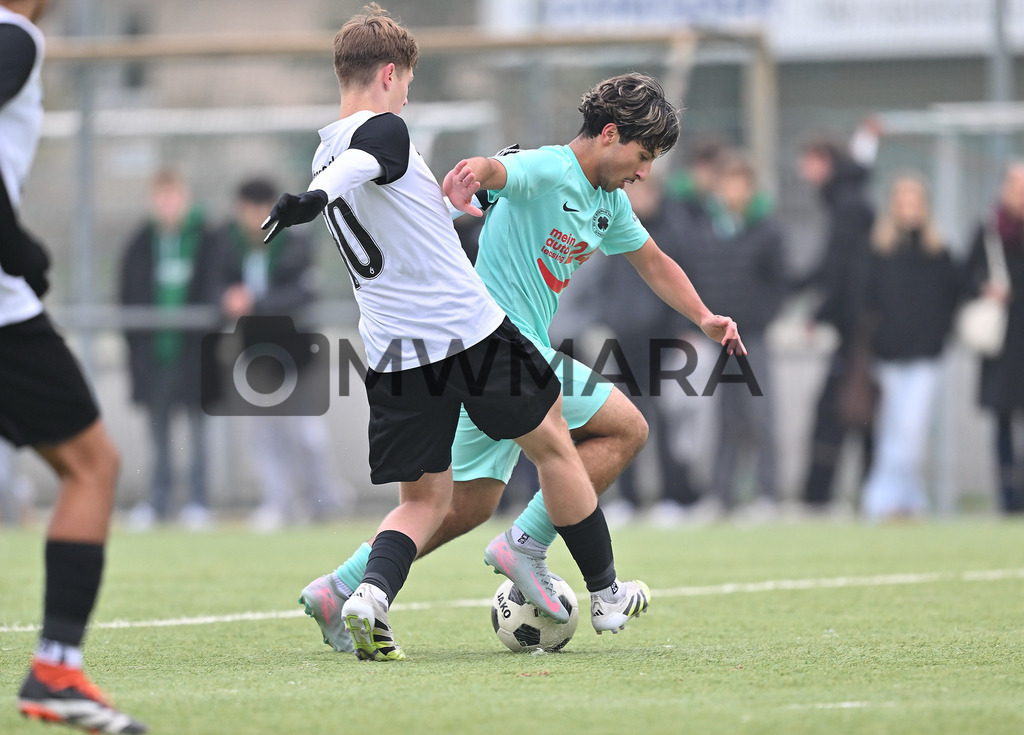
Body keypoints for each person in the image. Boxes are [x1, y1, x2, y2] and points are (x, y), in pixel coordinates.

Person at [294, 65, 745, 655]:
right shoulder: (550, 168)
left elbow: (655, 262)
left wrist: (704, 317)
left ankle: (346, 586)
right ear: (609, 134)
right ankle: (539, 553)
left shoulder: (606, 203)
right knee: (624, 428)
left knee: (466, 505)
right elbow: (499, 169)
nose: (644, 172)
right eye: (642, 154)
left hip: (500, 353)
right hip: (495, 347)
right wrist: (472, 174)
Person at [264, 5, 660, 661]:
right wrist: (313, 198)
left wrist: (315, 191)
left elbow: (355, 172)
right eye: (410, 81)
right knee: (557, 447)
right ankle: (605, 590)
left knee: (426, 501)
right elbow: (371, 156)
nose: (408, 94)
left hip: (394, 353)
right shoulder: (381, 131)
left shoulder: (322, 149)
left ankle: (361, 595)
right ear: (390, 73)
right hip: (468, 334)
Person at [0, 0, 147, 731]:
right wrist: (12, 244)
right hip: (3, 317)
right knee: (93, 465)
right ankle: (56, 669)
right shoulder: (15, 35)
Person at [213, 176, 351, 529]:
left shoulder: (294, 242)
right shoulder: (227, 245)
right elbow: (213, 286)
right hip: (254, 356)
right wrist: (226, 298)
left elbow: (302, 293)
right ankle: (279, 503)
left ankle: (325, 500)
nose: (254, 217)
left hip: (295, 354)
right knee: (265, 436)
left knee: (307, 434)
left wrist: (254, 302)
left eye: (261, 208)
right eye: (248, 210)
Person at [593, 172, 700, 524]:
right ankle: (629, 498)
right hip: (625, 341)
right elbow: (607, 284)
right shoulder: (616, 229)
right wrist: (609, 319)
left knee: (669, 420)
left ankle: (675, 496)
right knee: (625, 421)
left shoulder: (675, 231)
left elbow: (684, 282)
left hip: (666, 343)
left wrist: (684, 330)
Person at [119, 170, 221, 530]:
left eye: (173, 197)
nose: (168, 206)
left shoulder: (207, 239)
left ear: (185, 197)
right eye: (161, 199)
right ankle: (158, 501)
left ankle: (198, 501)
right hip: (155, 357)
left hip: (195, 355)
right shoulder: (139, 242)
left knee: (198, 432)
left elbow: (217, 287)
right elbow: (128, 295)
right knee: (159, 435)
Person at [690, 153, 787, 518]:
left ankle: (767, 494)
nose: (732, 191)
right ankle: (721, 495)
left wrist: (758, 319)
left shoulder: (767, 229)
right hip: (720, 341)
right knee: (725, 417)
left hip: (753, 338)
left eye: (739, 184)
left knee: (760, 415)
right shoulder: (707, 228)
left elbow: (779, 283)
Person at [860, 174, 959, 520]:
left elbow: (953, 298)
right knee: (892, 430)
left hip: (925, 357)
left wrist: (938, 336)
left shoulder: (938, 251)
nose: (909, 209)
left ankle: (901, 497)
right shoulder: (880, 249)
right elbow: (867, 300)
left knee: (911, 432)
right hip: (887, 355)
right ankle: (888, 501)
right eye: (903, 201)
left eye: (915, 202)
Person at [796, 129, 877, 512]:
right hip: (855, 322)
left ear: (825, 161)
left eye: (809, 161)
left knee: (843, 408)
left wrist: (819, 311)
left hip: (856, 327)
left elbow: (839, 266)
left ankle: (823, 494)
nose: (803, 170)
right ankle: (859, 492)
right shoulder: (847, 199)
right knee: (854, 407)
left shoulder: (846, 203)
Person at [965, 163, 1024, 514]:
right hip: (1003, 341)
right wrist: (985, 289)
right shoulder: (989, 231)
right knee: (1002, 421)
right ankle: (1009, 499)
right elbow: (964, 275)